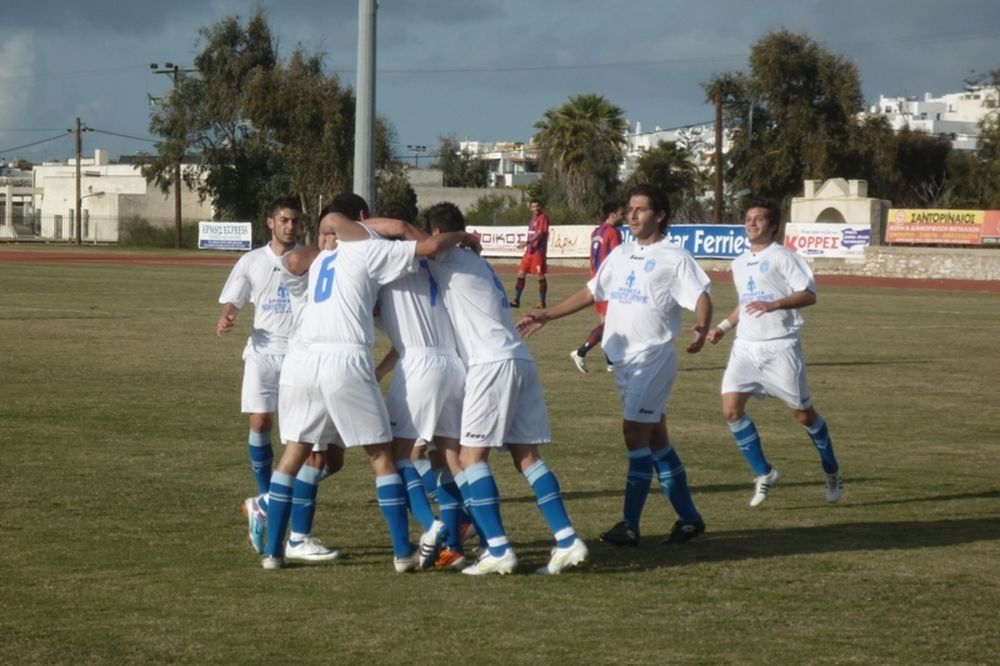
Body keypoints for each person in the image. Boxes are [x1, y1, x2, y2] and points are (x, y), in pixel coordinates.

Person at [257, 199, 480, 571]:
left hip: (301, 360)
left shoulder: (318, 257)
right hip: (346, 358)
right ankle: (404, 550)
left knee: (294, 454)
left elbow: (293, 262)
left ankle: (273, 553)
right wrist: (461, 237)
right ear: (362, 221)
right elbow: (423, 248)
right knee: (383, 457)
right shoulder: (369, 250)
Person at [518, 184, 712, 547]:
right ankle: (689, 517)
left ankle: (629, 525)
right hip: (623, 362)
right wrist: (547, 315)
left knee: (633, 433)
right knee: (656, 440)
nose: (633, 215)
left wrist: (701, 326)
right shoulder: (621, 254)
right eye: (631, 209)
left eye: (641, 209)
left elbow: (701, 295)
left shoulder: (674, 257)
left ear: (660, 215)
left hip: (652, 357)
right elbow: (592, 291)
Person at [424, 201, 587, 576]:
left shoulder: (450, 256)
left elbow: (418, 241)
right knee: (526, 456)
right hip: (518, 357)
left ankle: (497, 548)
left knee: (470, 459)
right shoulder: (479, 263)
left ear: (437, 233)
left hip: (491, 362)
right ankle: (566, 540)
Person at [706, 198, 843, 507]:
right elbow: (746, 301)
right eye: (748, 218)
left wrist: (775, 304)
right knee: (730, 410)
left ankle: (831, 468)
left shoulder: (784, 257)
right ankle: (764, 472)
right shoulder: (739, 262)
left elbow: (809, 295)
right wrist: (723, 327)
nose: (751, 223)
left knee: (803, 415)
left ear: (773, 226)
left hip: (781, 346)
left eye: (759, 219)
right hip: (745, 347)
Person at [570, 200, 625, 374]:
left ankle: (611, 363)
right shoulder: (613, 232)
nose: (624, 217)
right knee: (610, 324)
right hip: (609, 284)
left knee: (607, 324)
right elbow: (618, 258)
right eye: (622, 213)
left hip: (597, 281)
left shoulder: (596, 231)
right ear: (613, 214)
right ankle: (581, 352)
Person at [511, 198, 549, 309]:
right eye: (533, 206)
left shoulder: (543, 218)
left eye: (537, 206)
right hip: (529, 251)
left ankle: (542, 302)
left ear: (540, 207)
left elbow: (540, 233)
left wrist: (528, 242)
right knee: (520, 274)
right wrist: (527, 245)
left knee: (540, 276)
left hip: (538, 251)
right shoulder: (532, 219)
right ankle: (516, 300)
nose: (536, 208)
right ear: (530, 208)